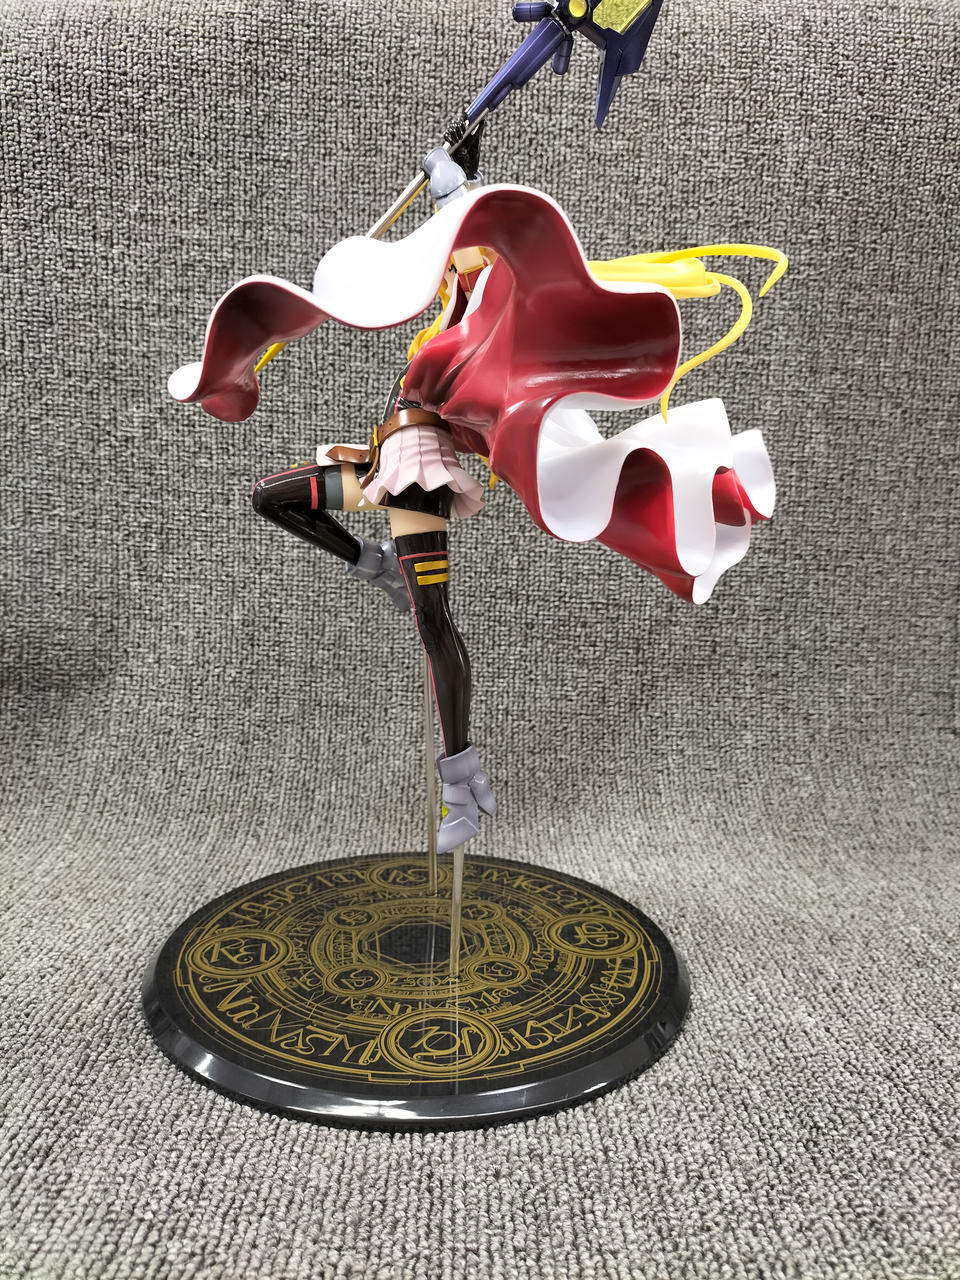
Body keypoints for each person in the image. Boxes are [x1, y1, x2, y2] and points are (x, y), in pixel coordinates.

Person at [169, 152, 785, 853]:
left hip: (420, 484)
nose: (449, 273)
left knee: (433, 624)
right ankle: (372, 565)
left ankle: (460, 779)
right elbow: (459, 261)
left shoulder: (482, 323)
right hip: (381, 466)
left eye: (462, 263)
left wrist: (454, 189)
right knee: (271, 498)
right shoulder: (449, 326)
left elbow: (478, 251)